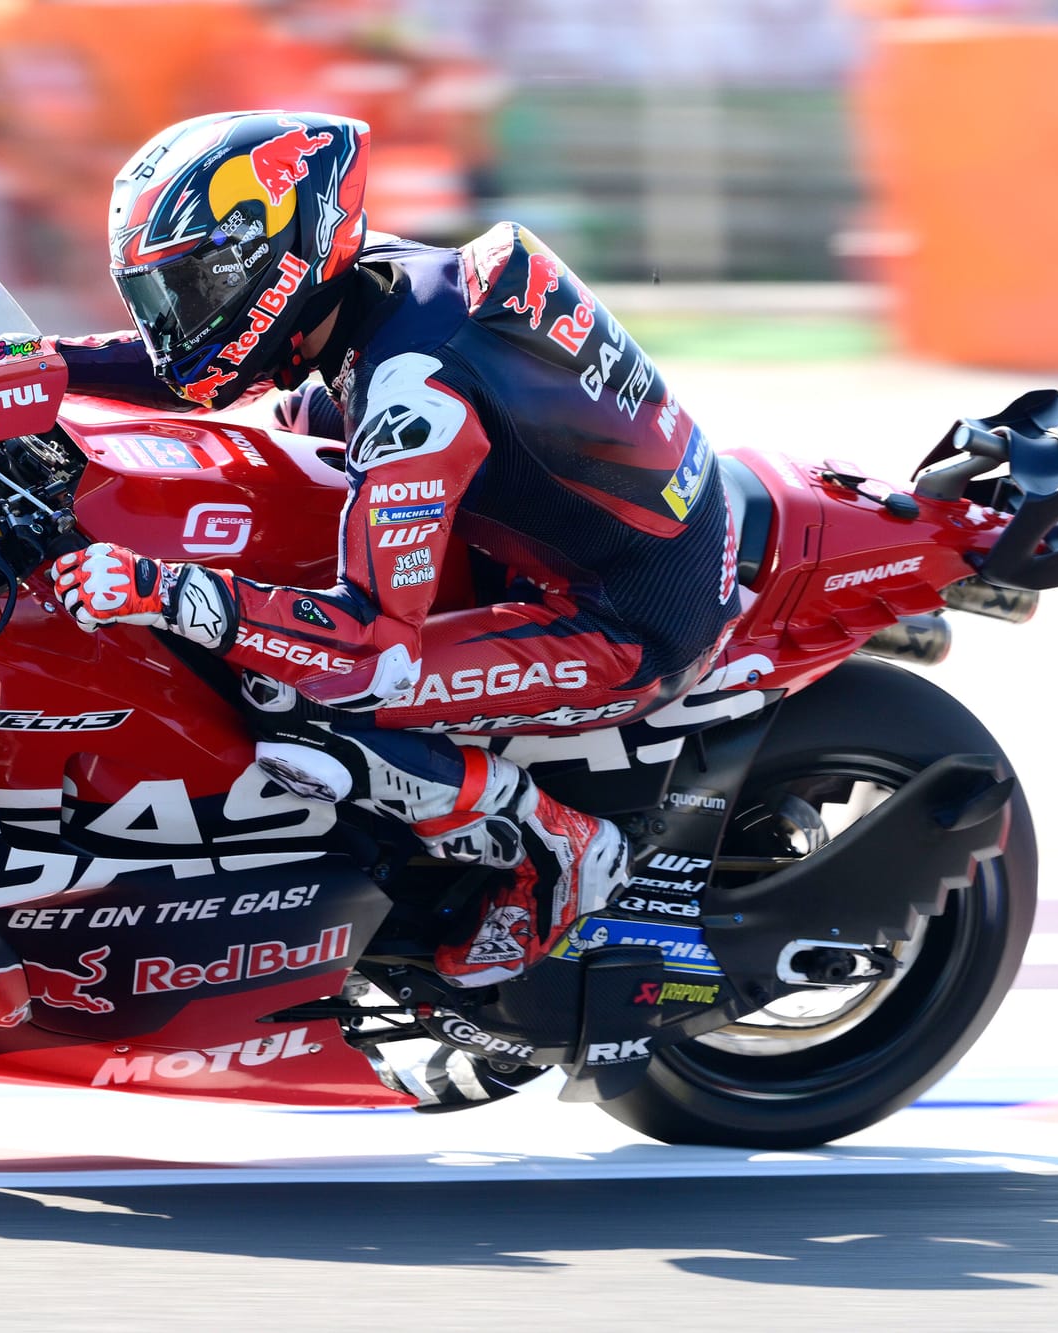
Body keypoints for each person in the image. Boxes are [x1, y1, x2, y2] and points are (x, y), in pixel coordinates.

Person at [44, 110, 741, 987]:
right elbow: (185, 369)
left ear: (278, 252)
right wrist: (17, 362)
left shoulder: (414, 392)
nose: (173, 320)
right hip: (563, 528)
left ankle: (560, 850)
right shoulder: (368, 281)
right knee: (284, 439)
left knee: (301, 696)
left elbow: (373, 653)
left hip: (628, 617)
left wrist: (167, 589)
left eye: (190, 285)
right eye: (156, 296)